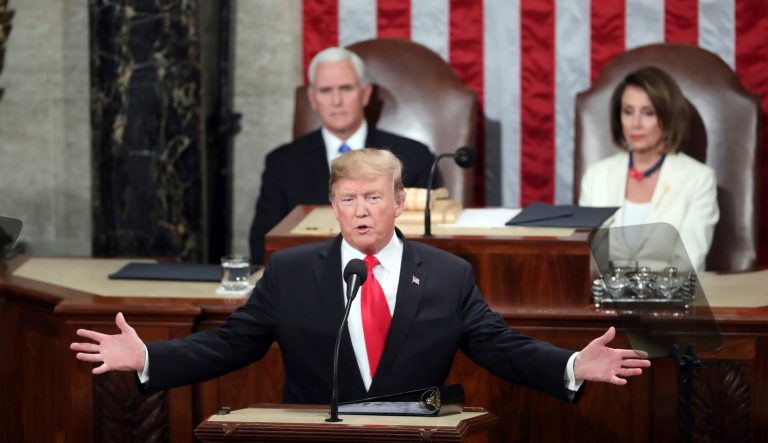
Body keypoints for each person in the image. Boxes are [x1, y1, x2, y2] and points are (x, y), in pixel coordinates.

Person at [71, 149, 650, 406]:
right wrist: (150, 358)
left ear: (400, 201)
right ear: (333, 204)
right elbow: (230, 344)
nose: (362, 210)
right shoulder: (293, 272)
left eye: (374, 196)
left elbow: (500, 347)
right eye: (349, 199)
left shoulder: (447, 275)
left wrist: (571, 364)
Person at [248, 47, 435, 264]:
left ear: (365, 94)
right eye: (326, 91)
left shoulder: (413, 157)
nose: (336, 101)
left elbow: (425, 242)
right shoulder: (281, 163)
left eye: (345, 88)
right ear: (312, 98)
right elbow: (262, 244)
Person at [579, 66, 719, 272]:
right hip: (605, 298)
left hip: (669, 300)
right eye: (628, 111)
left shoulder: (698, 179)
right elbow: (587, 257)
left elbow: (689, 262)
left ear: (668, 117)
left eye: (648, 113)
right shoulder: (596, 176)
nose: (635, 123)